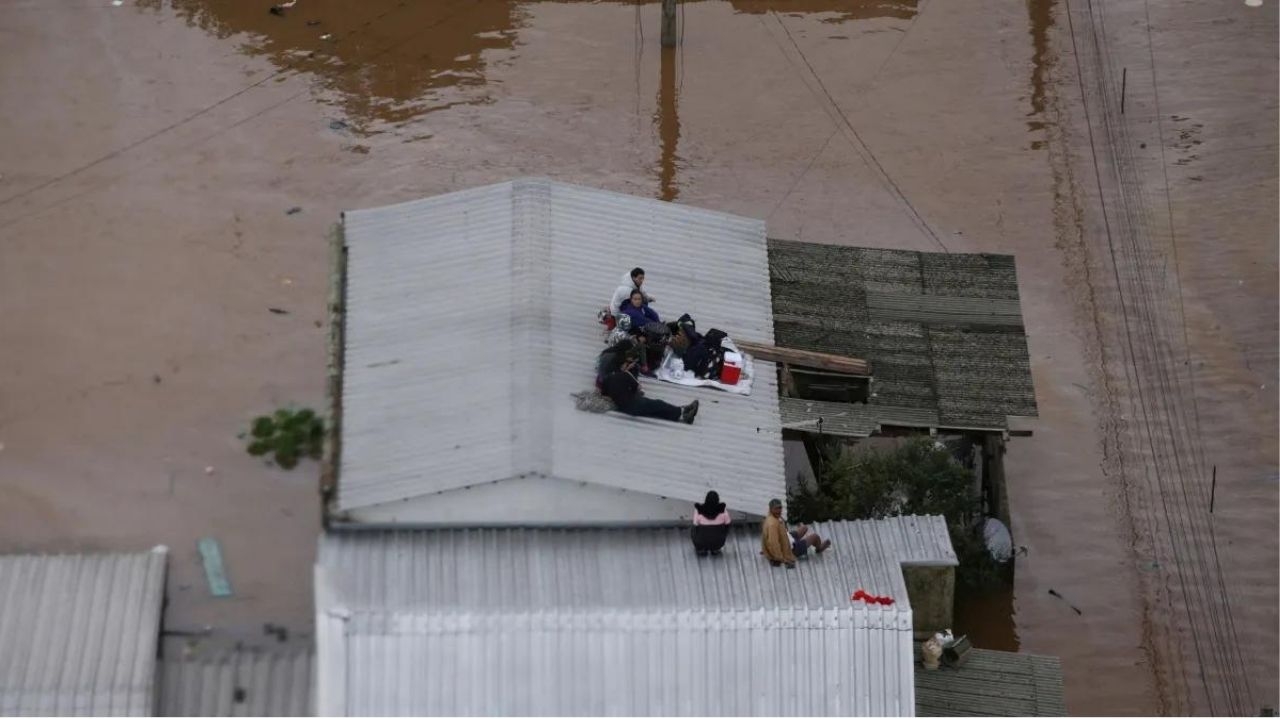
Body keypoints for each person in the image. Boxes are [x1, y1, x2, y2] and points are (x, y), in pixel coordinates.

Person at [601, 354, 698, 423]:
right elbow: (638, 388)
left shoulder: (606, 380)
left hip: (624, 408)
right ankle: (682, 413)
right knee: (658, 404)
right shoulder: (625, 375)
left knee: (656, 410)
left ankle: (682, 411)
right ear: (621, 366)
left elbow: (604, 396)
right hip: (634, 404)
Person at [691, 491, 731, 556]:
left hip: (701, 542)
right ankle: (715, 549)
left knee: (693, 529)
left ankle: (701, 549)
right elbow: (728, 523)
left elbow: (695, 524)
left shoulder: (699, 510)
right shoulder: (723, 510)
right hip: (718, 543)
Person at [760, 499, 797, 568]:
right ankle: (819, 548)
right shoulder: (772, 524)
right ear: (771, 509)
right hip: (786, 551)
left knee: (803, 529)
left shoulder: (770, 517)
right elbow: (773, 543)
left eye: (780, 508)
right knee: (814, 538)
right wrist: (782, 559)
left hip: (785, 539)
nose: (779, 510)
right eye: (776, 508)